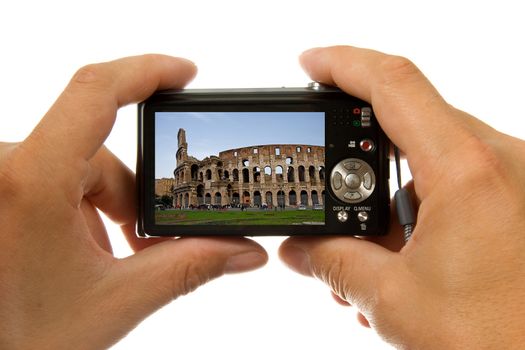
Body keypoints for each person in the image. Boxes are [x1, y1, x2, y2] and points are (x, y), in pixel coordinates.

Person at [0, 46, 524, 349]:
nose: (187, 171)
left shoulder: (251, 168)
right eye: (186, 165)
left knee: (291, 187)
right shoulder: (195, 171)